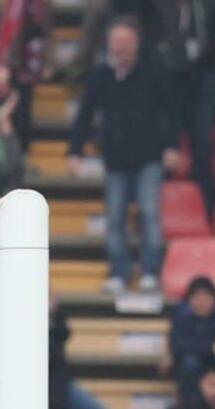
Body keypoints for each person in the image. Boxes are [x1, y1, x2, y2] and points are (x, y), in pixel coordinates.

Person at [69, 17, 179, 294]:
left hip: (149, 156)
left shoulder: (153, 72)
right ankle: (119, 272)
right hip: (116, 159)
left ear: (137, 43)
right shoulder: (102, 75)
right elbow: (85, 113)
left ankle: (150, 271)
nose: (120, 48)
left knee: (149, 214)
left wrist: (171, 146)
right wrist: (75, 150)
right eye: (116, 42)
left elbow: (172, 110)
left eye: (126, 42)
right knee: (115, 218)